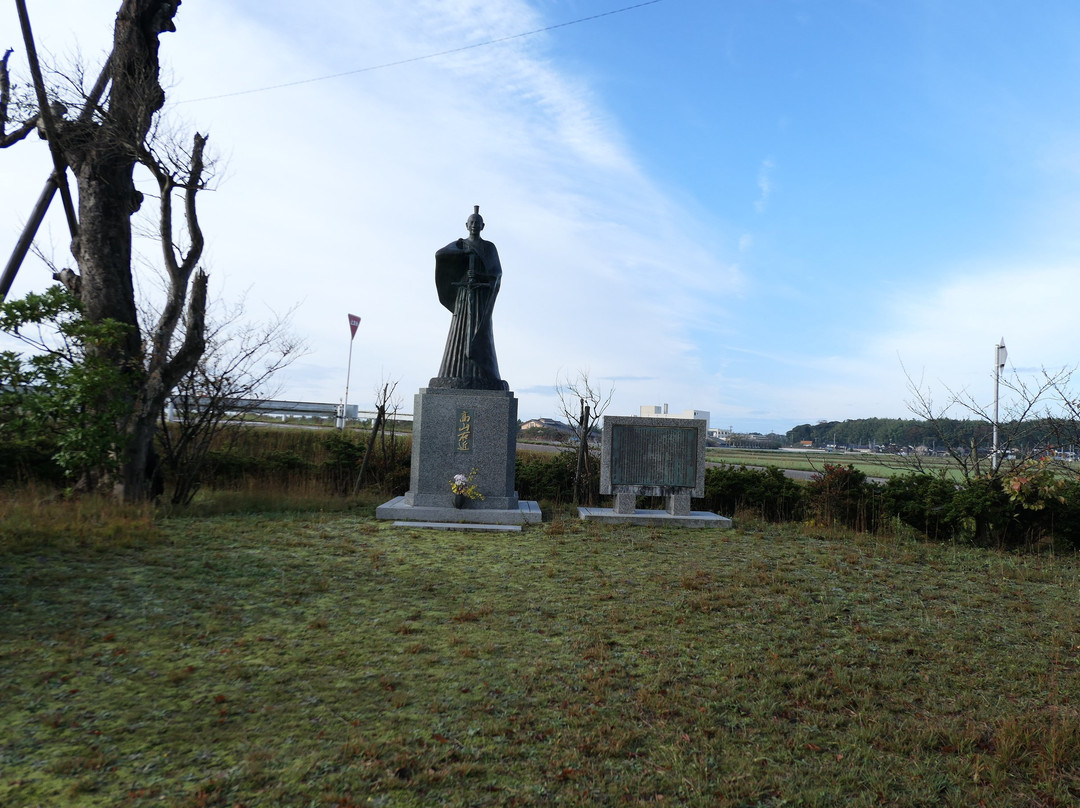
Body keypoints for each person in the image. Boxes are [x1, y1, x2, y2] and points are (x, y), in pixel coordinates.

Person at [430, 206, 507, 390]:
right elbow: (440, 254)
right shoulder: (460, 244)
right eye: (471, 223)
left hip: (480, 298)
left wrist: (480, 276)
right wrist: (462, 253)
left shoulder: (488, 247)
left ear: (483, 226)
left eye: (477, 223)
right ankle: (453, 372)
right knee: (460, 333)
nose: (474, 225)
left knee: (480, 333)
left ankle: (483, 374)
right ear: (466, 225)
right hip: (463, 297)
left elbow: (496, 273)